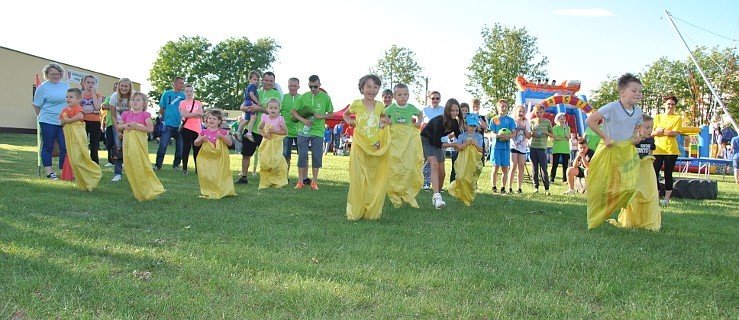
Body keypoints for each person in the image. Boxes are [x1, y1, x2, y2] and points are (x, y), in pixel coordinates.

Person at [584, 73, 644, 229]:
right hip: (609, 151)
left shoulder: (638, 112)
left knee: (628, 186)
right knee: (603, 185)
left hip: (626, 151)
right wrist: (605, 137)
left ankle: (618, 209)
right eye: (634, 90)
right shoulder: (611, 107)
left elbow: (636, 128)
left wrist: (636, 137)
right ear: (622, 93)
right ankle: (597, 215)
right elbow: (590, 121)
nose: (638, 94)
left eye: (640, 91)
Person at [344, 74, 391, 220]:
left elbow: (383, 118)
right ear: (362, 88)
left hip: (374, 146)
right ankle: (356, 210)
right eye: (368, 86)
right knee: (359, 175)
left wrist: (386, 123)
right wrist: (350, 122)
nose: (372, 90)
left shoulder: (380, 106)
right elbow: (346, 115)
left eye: (375, 87)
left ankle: (370, 209)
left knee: (372, 176)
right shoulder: (356, 104)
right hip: (359, 144)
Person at [608, 113, 661, 231]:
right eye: (647, 127)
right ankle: (630, 220)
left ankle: (648, 221)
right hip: (633, 171)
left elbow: (650, 154)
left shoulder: (650, 140)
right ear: (637, 127)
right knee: (633, 195)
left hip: (646, 172)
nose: (650, 130)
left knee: (649, 195)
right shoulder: (630, 140)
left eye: (651, 127)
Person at [119, 92, 165, 201]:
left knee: (140, 164)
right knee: (130, 165)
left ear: (144, 104)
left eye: (138, 100)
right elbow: (119, 127)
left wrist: (136, 127)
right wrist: (125, 126)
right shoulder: (125, 114)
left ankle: (150, 188)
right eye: (133, 99)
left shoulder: (146, 115)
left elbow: (150, 129)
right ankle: (138, 190)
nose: (135, 101)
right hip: (128, 144)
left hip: (139, 144)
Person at [290, 75, 334, 190]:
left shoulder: (326, 97)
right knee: (302, 156)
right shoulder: (304, 96)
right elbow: (293, 112)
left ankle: (314, 182)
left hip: (318, 131)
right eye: (311, 87)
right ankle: (300, 181)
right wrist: (304, 120)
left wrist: (321, 116)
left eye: (315, 86)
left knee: (316, 156)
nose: (313, 89)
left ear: (319, 85)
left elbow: (331, 113)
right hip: (302, 130)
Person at [238, 72, 281, 184]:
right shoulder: (256, 91)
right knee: (246, 154)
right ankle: (244, 176)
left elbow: (274, 112)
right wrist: (244, 108)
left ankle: (267, 178)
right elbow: (244, 105)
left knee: (267, 156)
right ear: (262, 80)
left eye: (271, 81)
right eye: (266, 80)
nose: (268, 83)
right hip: (251, 129)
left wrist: (258, 108)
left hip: (266, 131)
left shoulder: (276, 95)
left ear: (274, 82)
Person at [386, 83, 424, 208]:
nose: (403, 97)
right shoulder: (392, 107)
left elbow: (420, 114)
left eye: (405, 94)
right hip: (396, 140)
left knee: (409, 164)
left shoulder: (411, 107)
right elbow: (383, 115)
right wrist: (388, 120)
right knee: (395, 164)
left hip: (408, 140)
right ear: (395, 96)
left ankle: (408, 193)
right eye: (400, 95)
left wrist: (419, 122)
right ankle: (395, 193)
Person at [420, 98, 462, 209]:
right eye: (452, 110)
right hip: (427, 140)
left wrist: (470, 142)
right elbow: (437, 144)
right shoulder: (439, 121)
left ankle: (437, 196)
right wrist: (454, 145)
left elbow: (460, 137)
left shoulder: (455, 122)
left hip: (437, 142)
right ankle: (437, 196)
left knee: (442, 173)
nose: (454, 113)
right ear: (447, 110)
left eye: (457, 110)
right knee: (434, 164)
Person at [59, 88, 102, 191]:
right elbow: (61, 121)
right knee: (73, 160)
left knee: (79, 158)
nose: (68, 99)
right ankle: (84, 182)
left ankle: (94, 173)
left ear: (78, 99)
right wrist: (63, 121)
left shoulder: (78, 108)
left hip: (78, 137)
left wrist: (68, 120)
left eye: (71, 97)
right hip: (70, 137)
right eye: (67, 97)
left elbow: (79, 116)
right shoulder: (64, 110)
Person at [33, 63, 70, 180]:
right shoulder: (43, 87)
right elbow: (36, 105)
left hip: (63, 121)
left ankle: (64, 170)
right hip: (47, 121)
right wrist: (43, 117)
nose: (55, 76)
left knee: (64, 146)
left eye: (58, 73)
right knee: (48, 146)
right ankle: (49, 171)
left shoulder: (65, 85)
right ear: (47, 75)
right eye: (52, 74)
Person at [194, 109, 236, 199]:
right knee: (208, 174)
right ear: (206, 120)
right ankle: (209, 189)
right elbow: (196, 143)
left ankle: (220, 189)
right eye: (209, 118)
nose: (211, 120)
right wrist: (201, 140)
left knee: (218, 174)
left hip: (219, 158)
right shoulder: (204, 132)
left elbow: (229, 143)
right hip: (207, 158)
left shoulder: (222, 132)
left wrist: (222, 137)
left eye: (214, 119)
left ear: (219, 121)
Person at [652, 95, 682, 206]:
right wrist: (663, 132)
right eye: (668, 104)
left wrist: (662, 130)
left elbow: (674, 133)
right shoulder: (658, 117)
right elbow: (652, 132)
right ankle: (656, 196)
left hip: (671, 150)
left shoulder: (677, 118)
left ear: (675, 106)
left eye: (672, 104)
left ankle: (667, 199)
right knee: (654, 173)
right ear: (664, 105)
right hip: (658, 149)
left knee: (668, 173)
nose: (670, 106)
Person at [448, 113, 484, 206]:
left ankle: (469, 196)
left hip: (473, 161)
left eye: (474, 126)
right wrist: (466, 144)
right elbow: (458, 148)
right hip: (463, 161)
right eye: (470, 125)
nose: (472, 127)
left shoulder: (479, 136)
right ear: (466, 125)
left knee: (470, 179)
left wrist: (475, 144)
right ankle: (460, 193)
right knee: (460, 177)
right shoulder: (461, 136)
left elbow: (481, 149)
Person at [102, 78, 133, 182]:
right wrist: (118, 130)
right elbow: (113, 116)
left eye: (126, 86)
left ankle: (134, 173)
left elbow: (136, 113)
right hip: (118, 125)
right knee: (117, 149)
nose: (123, 88)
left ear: (129, 87)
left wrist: (128, 127)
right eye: (122, 85)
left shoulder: (133, 96)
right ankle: (117, 173)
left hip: (130, 126)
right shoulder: (114, 97)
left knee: (131, 150)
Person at [154, 76, 185, 171]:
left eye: (183, 83)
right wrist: (165, 119)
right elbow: (162, 108)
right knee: (163, 145)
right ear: (174, 83)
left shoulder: (184, 96)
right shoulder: (166, 94)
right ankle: (158, 165)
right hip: (168, 124)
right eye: (180, 83)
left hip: (180, 125)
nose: (182, 85)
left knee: (180, 146)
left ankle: (176, 165)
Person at [257, 98, 289, 189]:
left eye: (275, 108)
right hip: (267, 141)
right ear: (267, 109)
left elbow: (285, 132)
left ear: (279, 109)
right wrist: (264, 134)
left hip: (276, 142)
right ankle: (266, 179)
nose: (273, 110)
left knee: (276, 160)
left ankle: (276, 179)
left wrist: (274, 131)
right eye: (271, 108)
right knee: (266, 160)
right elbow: (259, 128)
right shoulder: (265, 117)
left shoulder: (280, 119)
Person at [488, 99, 516, 194]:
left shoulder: (510, 120)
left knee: (505, 168)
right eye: (501, 106)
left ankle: (503, 188)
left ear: (508, 108)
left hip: (506, 148)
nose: (503, 108)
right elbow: (491, 132)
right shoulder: (494, 119)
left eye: (505, 106)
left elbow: (513, 133)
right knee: (495, 167)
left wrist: (508, 136)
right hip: (496, 147)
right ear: (498, 107)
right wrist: (496, 136)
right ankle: (493, 187)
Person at [421, 91, 444, 190]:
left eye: (437, 98)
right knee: (428, 163)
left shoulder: (443, 110)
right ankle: (426, 183)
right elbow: (420, 124)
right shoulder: (424, 110)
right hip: (427, 139)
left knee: (439, 163)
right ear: (429, 99)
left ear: (440, 99)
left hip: (440, 140)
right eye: (433, 98)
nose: (435, 100)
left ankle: (438, 185)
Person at [179, 84, 204, 175]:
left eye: (191, 91)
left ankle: (198, 169)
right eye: (187, 91)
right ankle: (184, 169)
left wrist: (192, 114)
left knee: (197, 149)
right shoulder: (183, 103)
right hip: (187, 128)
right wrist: (195, 114)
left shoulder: (198, 103)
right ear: (184, 92)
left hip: (197, 129)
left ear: (193, 92)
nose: (189, 93)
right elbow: (185, 114)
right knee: (186, 148)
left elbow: (201, 114)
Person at [530, 104, 553, 195]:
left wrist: (546, 132)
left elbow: (552, 135)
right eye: (537, 112)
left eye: (540, 112)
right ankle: (536, 187)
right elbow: (529, 133)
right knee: (534, 168)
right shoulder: (532, 122)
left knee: (544, 168)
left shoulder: (547, 122)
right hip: (533, 147)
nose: (538, 114)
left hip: (542, 148)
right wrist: (533, 134)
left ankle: (546, 188)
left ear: (543, 112)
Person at [508, 105, 531, 194]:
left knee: (521, 166)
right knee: (513, 166)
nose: (521, 113)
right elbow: (510, 133)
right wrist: (517, 128)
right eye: (519, 111)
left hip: (523, 147)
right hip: (513, 146)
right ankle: (509, 187)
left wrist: (524, 128)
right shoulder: (512, 121)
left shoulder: (526, 122)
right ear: (516, 112)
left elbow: (529, 136)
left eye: (523, 112)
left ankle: (519, 187)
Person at [80, 75, 103, 164]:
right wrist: (90, 111)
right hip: (83, 121)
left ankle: (95, 164)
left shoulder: (98, 95)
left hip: (95, 122)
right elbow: (79, 109)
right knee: (83, 143)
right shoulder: (80, 95)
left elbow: (97, 107)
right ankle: (83, 163)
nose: (90, 84)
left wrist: (93, 94)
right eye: (88, 82)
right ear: (83, 83)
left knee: (94, 145)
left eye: (93, 83)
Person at [281, 77, 301, 177]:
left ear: (298, 87)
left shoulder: (302, 98)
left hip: (300, 132)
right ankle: (285, 176)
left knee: (302, 156)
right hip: (286, 132)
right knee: (286, 156)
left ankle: (303, 178)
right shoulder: (283, 97)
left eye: (294, 86)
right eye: (291, 86)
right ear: (288, 86)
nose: (292, 88)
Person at [449, 102, 469, 183]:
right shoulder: (454, 121)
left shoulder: (469, 122)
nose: (464, 112)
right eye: (462, 110)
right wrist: (456, 129)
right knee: (455, 167)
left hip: (466, 147)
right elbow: (449, 136)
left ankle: (462, 184)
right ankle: (453, 183)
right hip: (456, 148)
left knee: (465, 167)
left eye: (466, 110)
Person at [238, 70, 261, 142]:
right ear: (250, 79)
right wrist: (258, 102)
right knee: (254, 117)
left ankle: (238, 131)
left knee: (246, 119)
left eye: (257, 80)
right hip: (251, 102)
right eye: (254, 79)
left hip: (246, 102)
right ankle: (249, 132)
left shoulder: (248, 86)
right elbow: (251, 94)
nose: (256, 81)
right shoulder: (253, 86)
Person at [550, 113, 571, 183]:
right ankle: (552, 179)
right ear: (558, 120)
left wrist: (565, 129)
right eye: (561, 119)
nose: (562, 120)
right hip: (557, 149)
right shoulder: (555, 128)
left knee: (565, 165)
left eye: (563, 119)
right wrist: (564, 138)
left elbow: (568, 137)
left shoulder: (568, 128)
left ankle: (565, 179)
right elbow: (556, 137)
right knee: (555, 164)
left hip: (566, 149)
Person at [102, 81, 118, 167]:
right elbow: (104, 106)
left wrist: (111, 106)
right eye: (115, 87)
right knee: (110, 142)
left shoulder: (125, 99)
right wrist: (114, 106)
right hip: (109, 123)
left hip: (120, 124)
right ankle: (110, 160)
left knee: (118, 143)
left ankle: (119, 161)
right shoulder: (109, 97)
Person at [470, 98, 489, 164]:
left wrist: (478, 117)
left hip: (480, 143)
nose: (475, 108)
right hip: (470, 142)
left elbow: (486, 127)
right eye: (473, 107)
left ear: (479, 107)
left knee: (479, 163)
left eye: (477, 106)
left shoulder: (483, 117)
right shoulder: (468, 117)